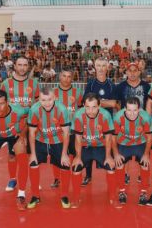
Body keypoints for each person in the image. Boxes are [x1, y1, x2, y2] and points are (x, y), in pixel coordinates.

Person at [70, 93, 119, 208]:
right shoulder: (78, 115)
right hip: (85, 146)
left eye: (94, 107)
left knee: (111, 166)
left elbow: (108, 138)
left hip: (101, 146)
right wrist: (77, 157)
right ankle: (76, 198)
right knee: (76, 167)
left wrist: (108, 156)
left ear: (99, 106)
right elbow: (77, 139)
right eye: (87, 107)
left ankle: (113, 197)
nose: (90, 111)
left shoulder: (105, 115)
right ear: (83, 106)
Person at [27, 87, 72, 209]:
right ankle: (35, 196)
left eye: (49, 99)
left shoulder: (62, 110)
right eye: (43, 100)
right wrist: (32, 153)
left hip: (58, 140)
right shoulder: (34, 109)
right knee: (33, 163)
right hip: (40, 140)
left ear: (55, 98)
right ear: (39, 99)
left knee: (65, 164)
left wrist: (64, 154)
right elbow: (31, 133)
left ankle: (64, 195)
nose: (47, 103)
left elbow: (66, 133)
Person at [1, 56, 40, 192]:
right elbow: (2, 104)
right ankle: (13, 179)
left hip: (30, 125)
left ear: (28, 66)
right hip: (13, 125)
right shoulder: (6, 84)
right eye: (20, 65)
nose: (22, 67)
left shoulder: (34, 83)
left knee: (31, 153)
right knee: (12, 154)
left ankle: (32, 179)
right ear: (15, 66)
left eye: (25, 65)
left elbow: (38, 103)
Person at [81, 57, 117, 186]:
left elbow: (114, 104)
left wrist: (95, 102)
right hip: (90, 121)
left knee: (109, 147)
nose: (101, 68)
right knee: (89, 145)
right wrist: (104, 102)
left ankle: (114, 173)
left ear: (108, 68)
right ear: (94, 67)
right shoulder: (90, 84)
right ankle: (88, 175)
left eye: (103, 66)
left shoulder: (111, 85)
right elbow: (84, 102)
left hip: (107, 122)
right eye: (99, 65)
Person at [114, 62, 151, 184]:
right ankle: (126, 174)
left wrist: (147, 117)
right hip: (126, 123)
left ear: (139, 72)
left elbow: (150, 103)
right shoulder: (120, 87)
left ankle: (142, 174)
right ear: (126, 72)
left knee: (143, 149)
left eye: (135, 70)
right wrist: (122, 116)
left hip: (141, 123)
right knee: (125, 149)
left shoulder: (146, 86)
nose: (133, 73)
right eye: (130, 71)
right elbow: (117, 102)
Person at [112, 97, 152, 205]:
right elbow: (113, 137)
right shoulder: (118, 117)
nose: (132, 113)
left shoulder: (145, 118)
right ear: (125, 109)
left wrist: (146, 154)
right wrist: (116, 154)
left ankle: (143, 192)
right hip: (123, 143)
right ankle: (121, 192)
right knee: (119, 164)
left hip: (140, 143)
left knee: (145, 164)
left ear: (139, 110)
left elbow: (149, 137)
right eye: (129, 110)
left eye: (135, 110)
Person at [50, 68, 83, 189]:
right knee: (56, 156)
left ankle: (75, 175)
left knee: (74, 154)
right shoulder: (52, 92)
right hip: (57, 131)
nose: (66, 79)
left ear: (72, 78)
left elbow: (80, 110)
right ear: (59, 77)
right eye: (64, 76)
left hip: (73, 130)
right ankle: (57, 178)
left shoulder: (77, 92)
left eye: (69, 76)